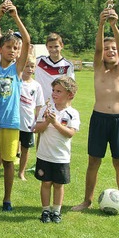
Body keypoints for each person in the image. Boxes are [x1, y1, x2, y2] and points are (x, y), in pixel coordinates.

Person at [72, 7, 119, 216]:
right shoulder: (99, 69)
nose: (111, 51)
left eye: (114, 48)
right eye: (108, 49)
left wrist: (114, 26)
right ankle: (87, 201)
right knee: (93, 161)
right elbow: (97, 50)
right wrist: (101, 25)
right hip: (99, 119)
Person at [0, 0, 31, 211]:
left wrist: (15, 16)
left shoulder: (17, 69)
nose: (13, 50)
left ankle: (7, 199)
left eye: (15, 48)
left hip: (11, 122)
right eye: (9, 47)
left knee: (10, 162)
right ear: (0, 49)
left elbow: (28, 41)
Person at [34, 77, 79, 223]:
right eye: (53, 90)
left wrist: (55, 123)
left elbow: (70, 133)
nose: (54, 93)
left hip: (61, 157)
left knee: (59, 184)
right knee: (46, 183)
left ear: (70, 94)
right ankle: (45, 210)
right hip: (44, 155)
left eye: (58, 91)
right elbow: (37, 129)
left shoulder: (72, 113)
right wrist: (47, 121)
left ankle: (56, 211)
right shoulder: (46, 110)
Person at [18, 57, 45, 180]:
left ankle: (21, 172)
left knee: (25, 149)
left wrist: (37, 121)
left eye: (32, 66)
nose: (29, 69)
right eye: (27, 66)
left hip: (28, 123)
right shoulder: (16, 81)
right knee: (7, 148)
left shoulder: (36, 86)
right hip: (13, 122)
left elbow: (39, 105)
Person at [35, 33, 75, 100]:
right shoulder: (39, 61)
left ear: (61, 46)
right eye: (50, 47)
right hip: (41, 103)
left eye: (56, 46)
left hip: (59, 104)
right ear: (46, 47)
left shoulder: (67, 65)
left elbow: (71, 87)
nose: (53, 49)